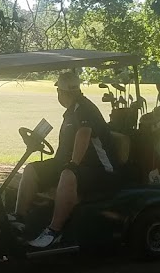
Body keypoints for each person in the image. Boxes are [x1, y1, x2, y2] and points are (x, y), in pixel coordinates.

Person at [16, 70, 120, 248]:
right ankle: (20, 219)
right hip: (76, 165)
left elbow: (83, 134)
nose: (58, 95)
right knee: (32, 170)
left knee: (67, 174)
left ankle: (54, 230)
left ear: (63, 92)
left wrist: (73, 165)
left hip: (100, 169)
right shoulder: (72, 111)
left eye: (59, 92)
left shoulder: (84, 109)